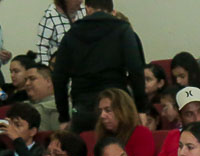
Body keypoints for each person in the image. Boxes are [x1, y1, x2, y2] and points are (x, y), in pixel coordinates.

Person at [52, 0, 147, 133]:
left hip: (83, 107)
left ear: (87, 8)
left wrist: (63, 117)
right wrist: (141, 108)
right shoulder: (123, 30)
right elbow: (136, 70)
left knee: (84, 145)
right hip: (117, 104)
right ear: (112, 10)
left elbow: (59, 78)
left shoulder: (72, 34)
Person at [94, 87, 154, 156]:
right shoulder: (104, 135)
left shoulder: (142, 134)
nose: (102, 115)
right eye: (100, 111)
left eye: (108, 110)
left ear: (123, 110)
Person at [36, 0, 86, 66]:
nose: (80, 1)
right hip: (61, 66)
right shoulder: (50, 17)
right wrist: (47, 69)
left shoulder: (85, 11)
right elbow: (42, 48)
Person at [23, 64, 60, 133]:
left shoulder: (60, 107)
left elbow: (62, 137)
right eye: (25, 80)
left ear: (48, 81)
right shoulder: (23, 105)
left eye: (32, 79)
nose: (27, 83)